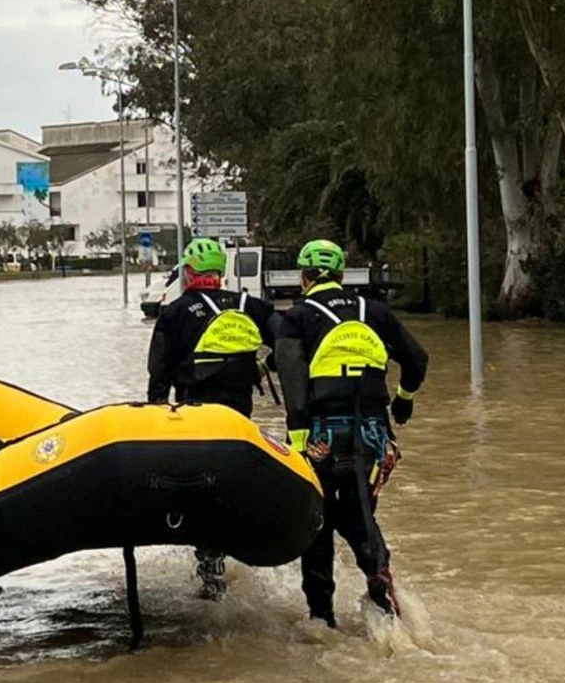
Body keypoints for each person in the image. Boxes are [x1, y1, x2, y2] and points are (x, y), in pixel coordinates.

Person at [273, 239, 427, 624]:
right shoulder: (375, 311)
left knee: (317, 521)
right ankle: (380, 583)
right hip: (373, 435)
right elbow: (417, 359)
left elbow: (292, 383)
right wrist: (403, 398)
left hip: (320, 435)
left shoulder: (297, 317)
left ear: (304, 277)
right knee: (360, 512)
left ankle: (321, 618)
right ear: (342, 275)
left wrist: (299, 445)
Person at [146, 237, 278, 599]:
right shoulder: (250, 306)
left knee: (195, 488)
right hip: (238, 420)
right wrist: (267, 366)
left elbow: (158, 371)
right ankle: (225, 550)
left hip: (194, 417)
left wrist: (156, 413)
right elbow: (288, 339)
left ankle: (208, 563)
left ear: (188, 273)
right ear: (221, 273)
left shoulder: (173, 313)